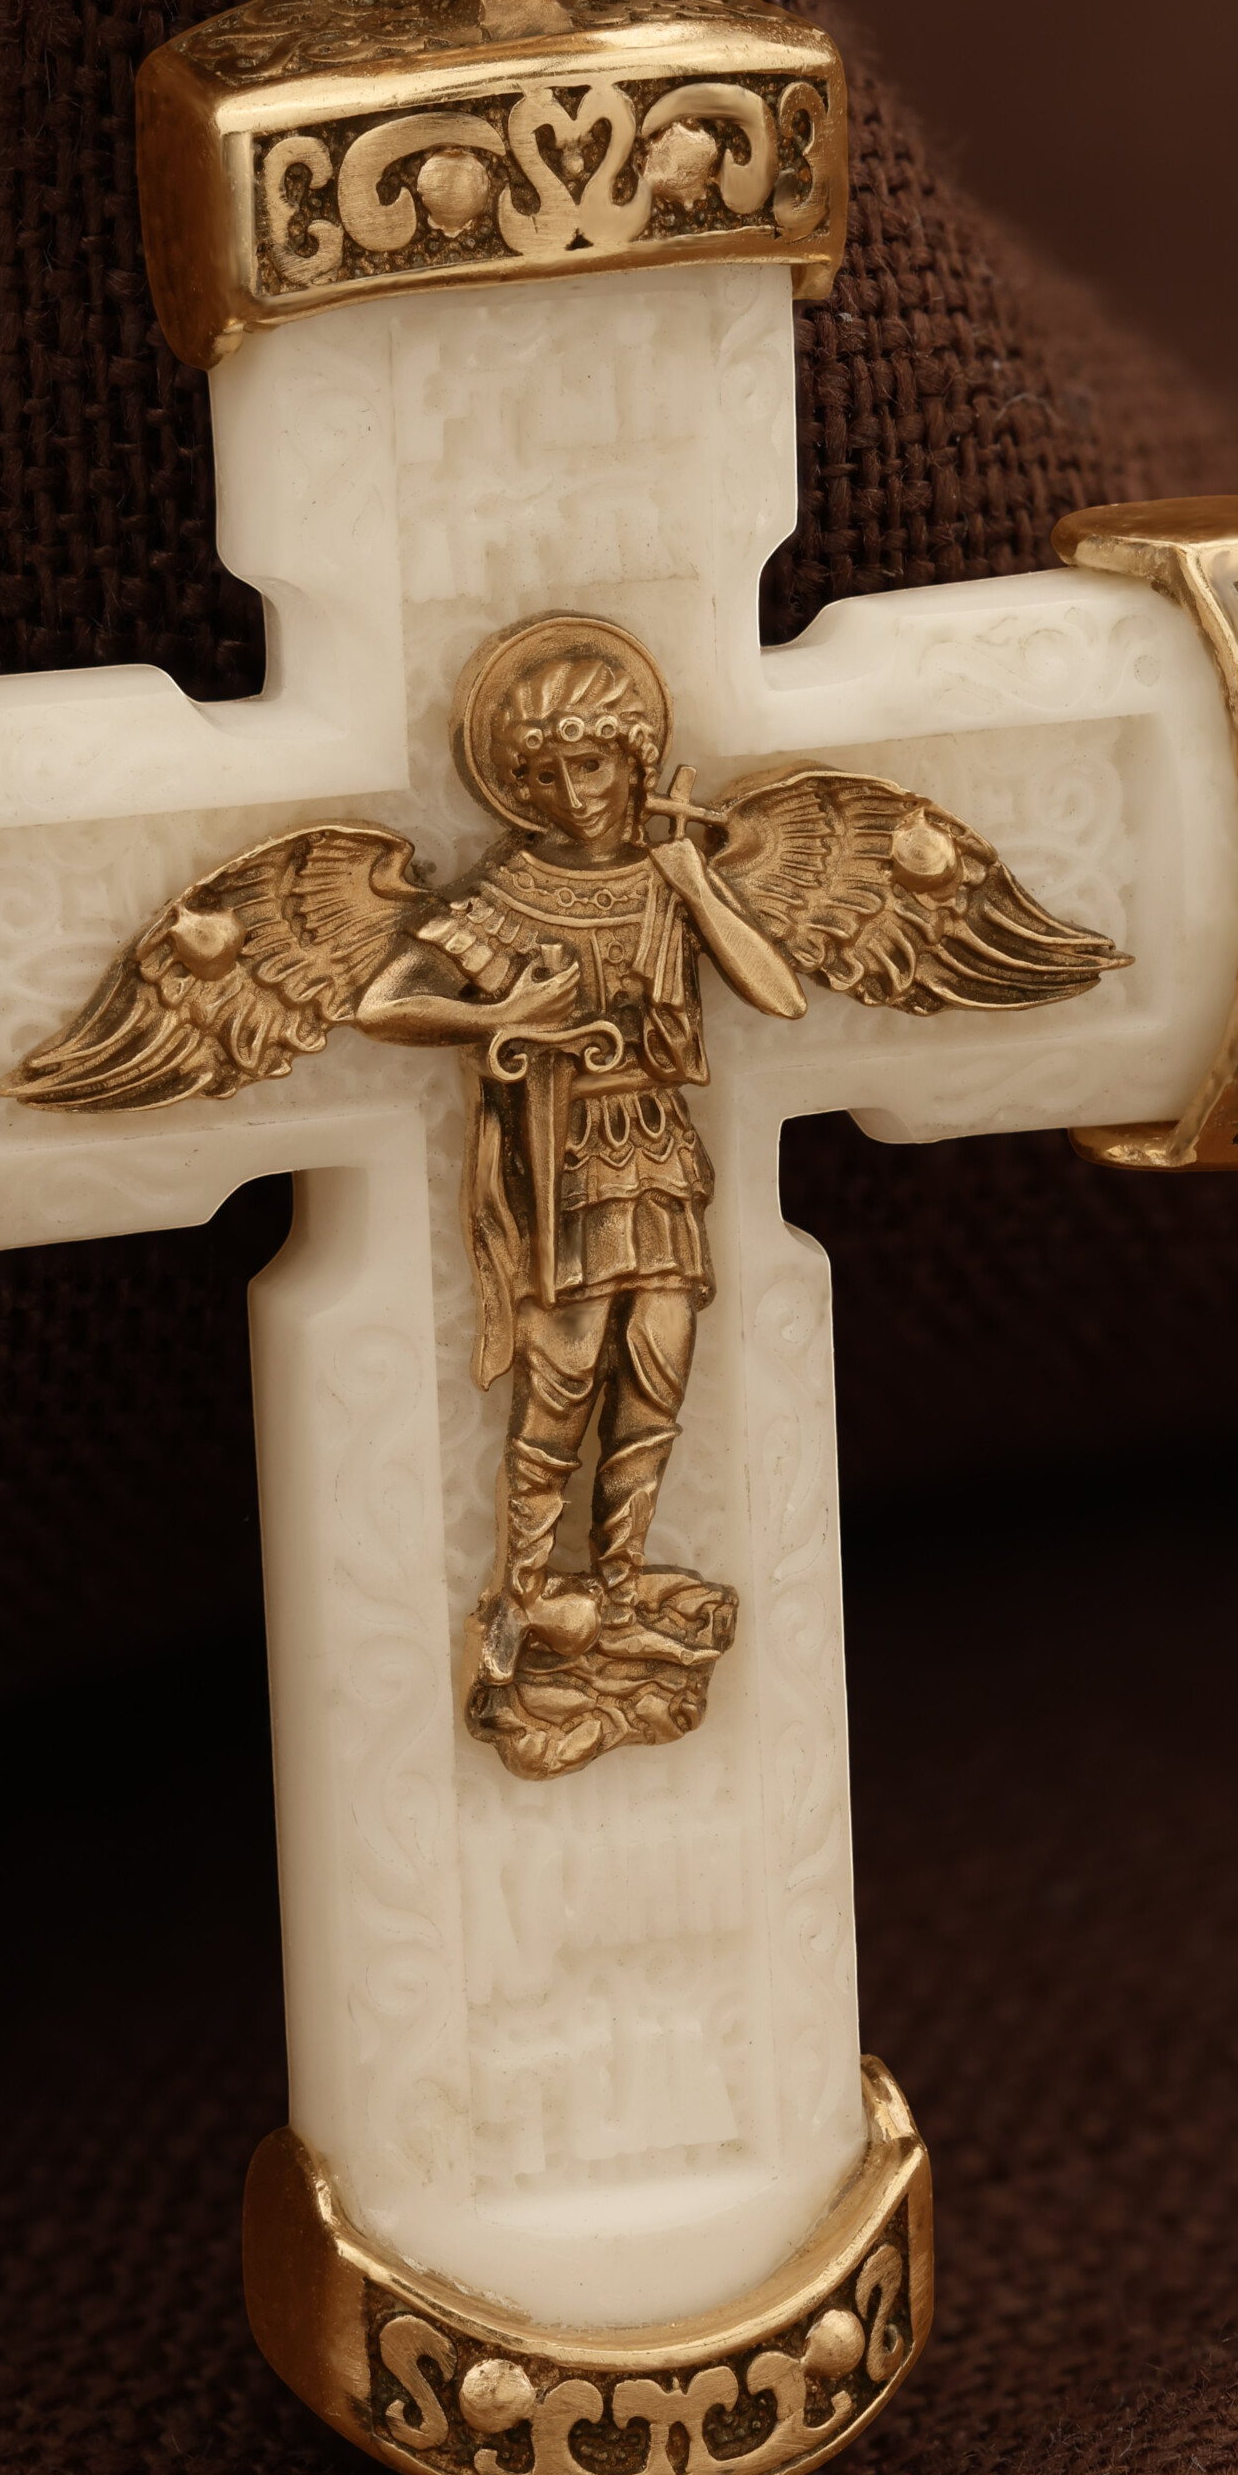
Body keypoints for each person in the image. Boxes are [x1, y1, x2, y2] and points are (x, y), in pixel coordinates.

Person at [357, 638, 804, 1731]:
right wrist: (502, 1015)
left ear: (635, 760)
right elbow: (385, 1002)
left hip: (657, 1150)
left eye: (593, 764)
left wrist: (693, 882)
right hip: (560, 1161)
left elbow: (778, 995)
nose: (574, 791)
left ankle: (619, 1591)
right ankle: (516, 1605)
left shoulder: (666, 881)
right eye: (546, 774)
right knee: (560, 1381)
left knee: (657, 1370)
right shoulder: (505, 893)